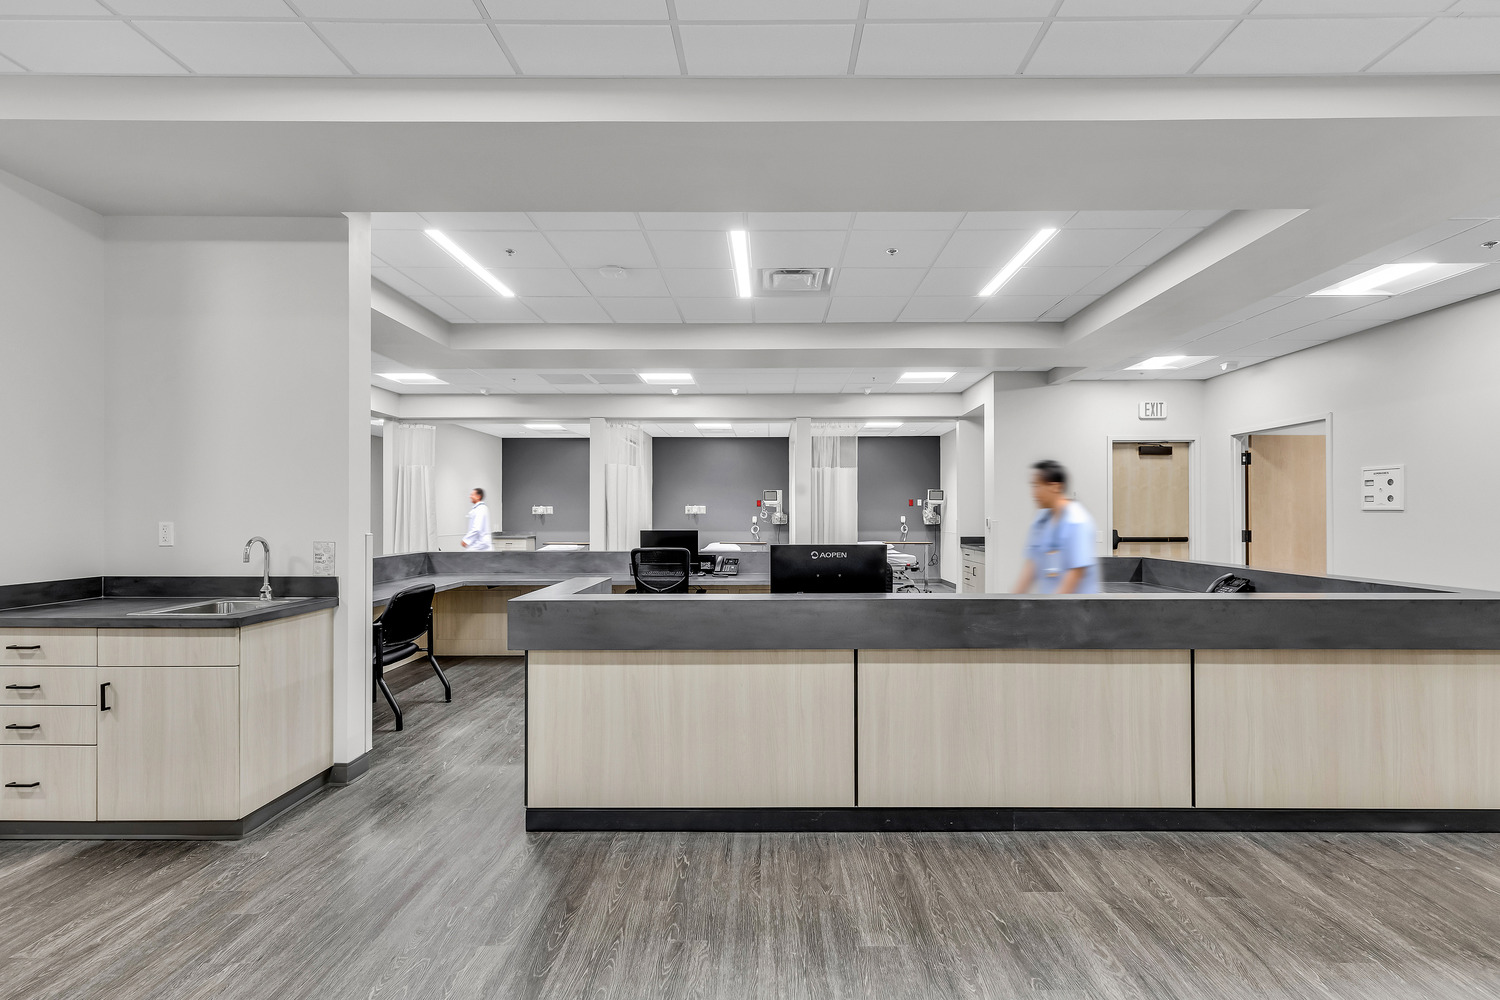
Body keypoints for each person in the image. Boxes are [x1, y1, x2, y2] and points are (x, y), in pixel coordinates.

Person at [1013, 460, 1099, 595]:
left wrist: (1052, 609)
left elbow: (1076, 573)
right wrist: (1012, 602)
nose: (1033, 493)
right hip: (1051, 606)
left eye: (1037, 486)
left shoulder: (1077, 521)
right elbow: (1032, 564)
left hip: (1075, 610)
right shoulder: (1041, 520)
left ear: (1055, 487)